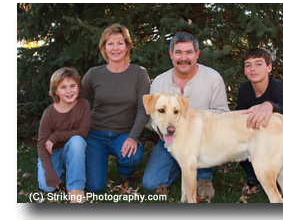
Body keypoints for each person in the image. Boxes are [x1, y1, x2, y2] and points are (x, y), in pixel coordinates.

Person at [142, 31, 230, 199]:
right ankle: (184, 168)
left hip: (203, 141)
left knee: (197, 143)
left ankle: (203, 178)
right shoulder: (160, 82)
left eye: (189, 52)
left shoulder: (213, 78)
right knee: (151, 184)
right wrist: (165, 131)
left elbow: (223, 116)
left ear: (197, 54)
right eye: (178, 52)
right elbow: (151, 119)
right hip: (169, 139)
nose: (184, 57)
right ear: (171, 55)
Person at [81, 23, 150, 193]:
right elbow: (78, 103)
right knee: (95, 187)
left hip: (123, 134)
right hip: (95, 134)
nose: (115, 48)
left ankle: (126, 173)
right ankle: (95, 161)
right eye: (110, 43)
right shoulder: (93, 73)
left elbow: (143, 109)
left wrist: (133, 137)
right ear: (104, 47)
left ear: (127, 47)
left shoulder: (139, 73)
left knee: (133, 155)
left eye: (120, 43)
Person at [237, 47, 283, 191]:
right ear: (245, 71)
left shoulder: (280, 88)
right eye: (248, 65)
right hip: (259, 137)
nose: (253, 69)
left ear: (269, 67)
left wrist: (270, 105)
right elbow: (240, 118)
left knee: (270, 153)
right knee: (239, 147)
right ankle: (254, 178)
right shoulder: (244, 90)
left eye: (259, 64)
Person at [37, 67, 91, 203]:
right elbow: (41, 145)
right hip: (52, 152)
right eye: (63, 87)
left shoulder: (84, 105)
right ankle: (59, 169)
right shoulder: (49, 113)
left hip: (72, 149)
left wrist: (55, 136)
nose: (69, 91)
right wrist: (49, 172)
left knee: (77, 141)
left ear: (78, 87)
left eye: (73, 86)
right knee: (48, 187)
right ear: (55, 90)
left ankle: (76, 189)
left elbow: (82, 132)